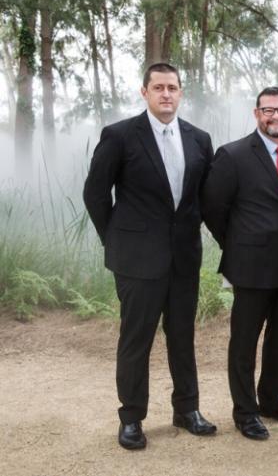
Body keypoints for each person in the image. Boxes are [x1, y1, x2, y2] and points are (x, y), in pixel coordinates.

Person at [83, 62, 216, 450]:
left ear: (181, 92)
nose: (166, 94)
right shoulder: (120, 135)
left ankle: (187, 409)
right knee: (136, 340)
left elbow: (205, 197)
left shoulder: (199, 139)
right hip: (137, 260)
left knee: (183, 337)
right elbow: (95, 194)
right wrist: (117, 240)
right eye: (158, 87)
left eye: (172, 87)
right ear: (145, 92)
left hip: (183, 259)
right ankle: (131, 418)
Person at [201, 86, 278, 440]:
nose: (275, 117)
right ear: (256, 114)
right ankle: (245, 411)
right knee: (244, 342)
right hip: (250, 267)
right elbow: (213, 209)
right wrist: (237, 245)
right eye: (268, 111)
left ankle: (273, 399)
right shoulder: (232, 155)